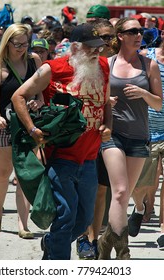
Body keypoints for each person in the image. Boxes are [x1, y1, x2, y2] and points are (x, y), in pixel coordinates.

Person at [11, 23, 112, 260]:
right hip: (61, 156)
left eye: (99, 47)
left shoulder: (104, 67)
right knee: (66, 217)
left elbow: (105, 102)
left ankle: (52, 242)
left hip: (89, 158)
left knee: (84, 221)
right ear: (75, 47)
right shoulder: (52, 69)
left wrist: (109, 125)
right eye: (91, 48)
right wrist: (32, 128)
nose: (97, 52)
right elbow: (19, 96)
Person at [98, 17, 162, 260]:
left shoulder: (149, 65)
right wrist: (107, 102)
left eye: (141, 31)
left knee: (124, 195)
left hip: (139, 136)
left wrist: (144, 92)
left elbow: (158, 103)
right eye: (133, 31)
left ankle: (106, 244)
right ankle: (123, 251)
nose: (139, 35)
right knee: (121, 190)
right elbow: (95, 97)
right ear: (120, 36)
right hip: (112, 134)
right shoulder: (107, 63)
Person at [0, 23, 43, 238]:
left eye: (25, 44)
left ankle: (23, 224)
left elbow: (41, 91)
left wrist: (38, 101)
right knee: (2, 174)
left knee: (25, 175)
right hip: (3, 125)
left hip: (28, 124)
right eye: (17, 44)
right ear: (7, 42)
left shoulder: (33, 61)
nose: (21, 48)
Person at [76, 18, 116, 260]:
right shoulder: (81, 61)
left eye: (108, 37)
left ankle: (93, 238)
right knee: (85, 191)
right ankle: (83, 236)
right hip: (81, 136)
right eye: (101, 37)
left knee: (101, 189)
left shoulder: (109, 63)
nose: (105, 42)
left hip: (107, 133)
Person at [129, 29, 164, 250]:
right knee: (139, 184)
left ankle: (163, 231)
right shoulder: (146, 58)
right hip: (146, 131)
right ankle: (140, 207)